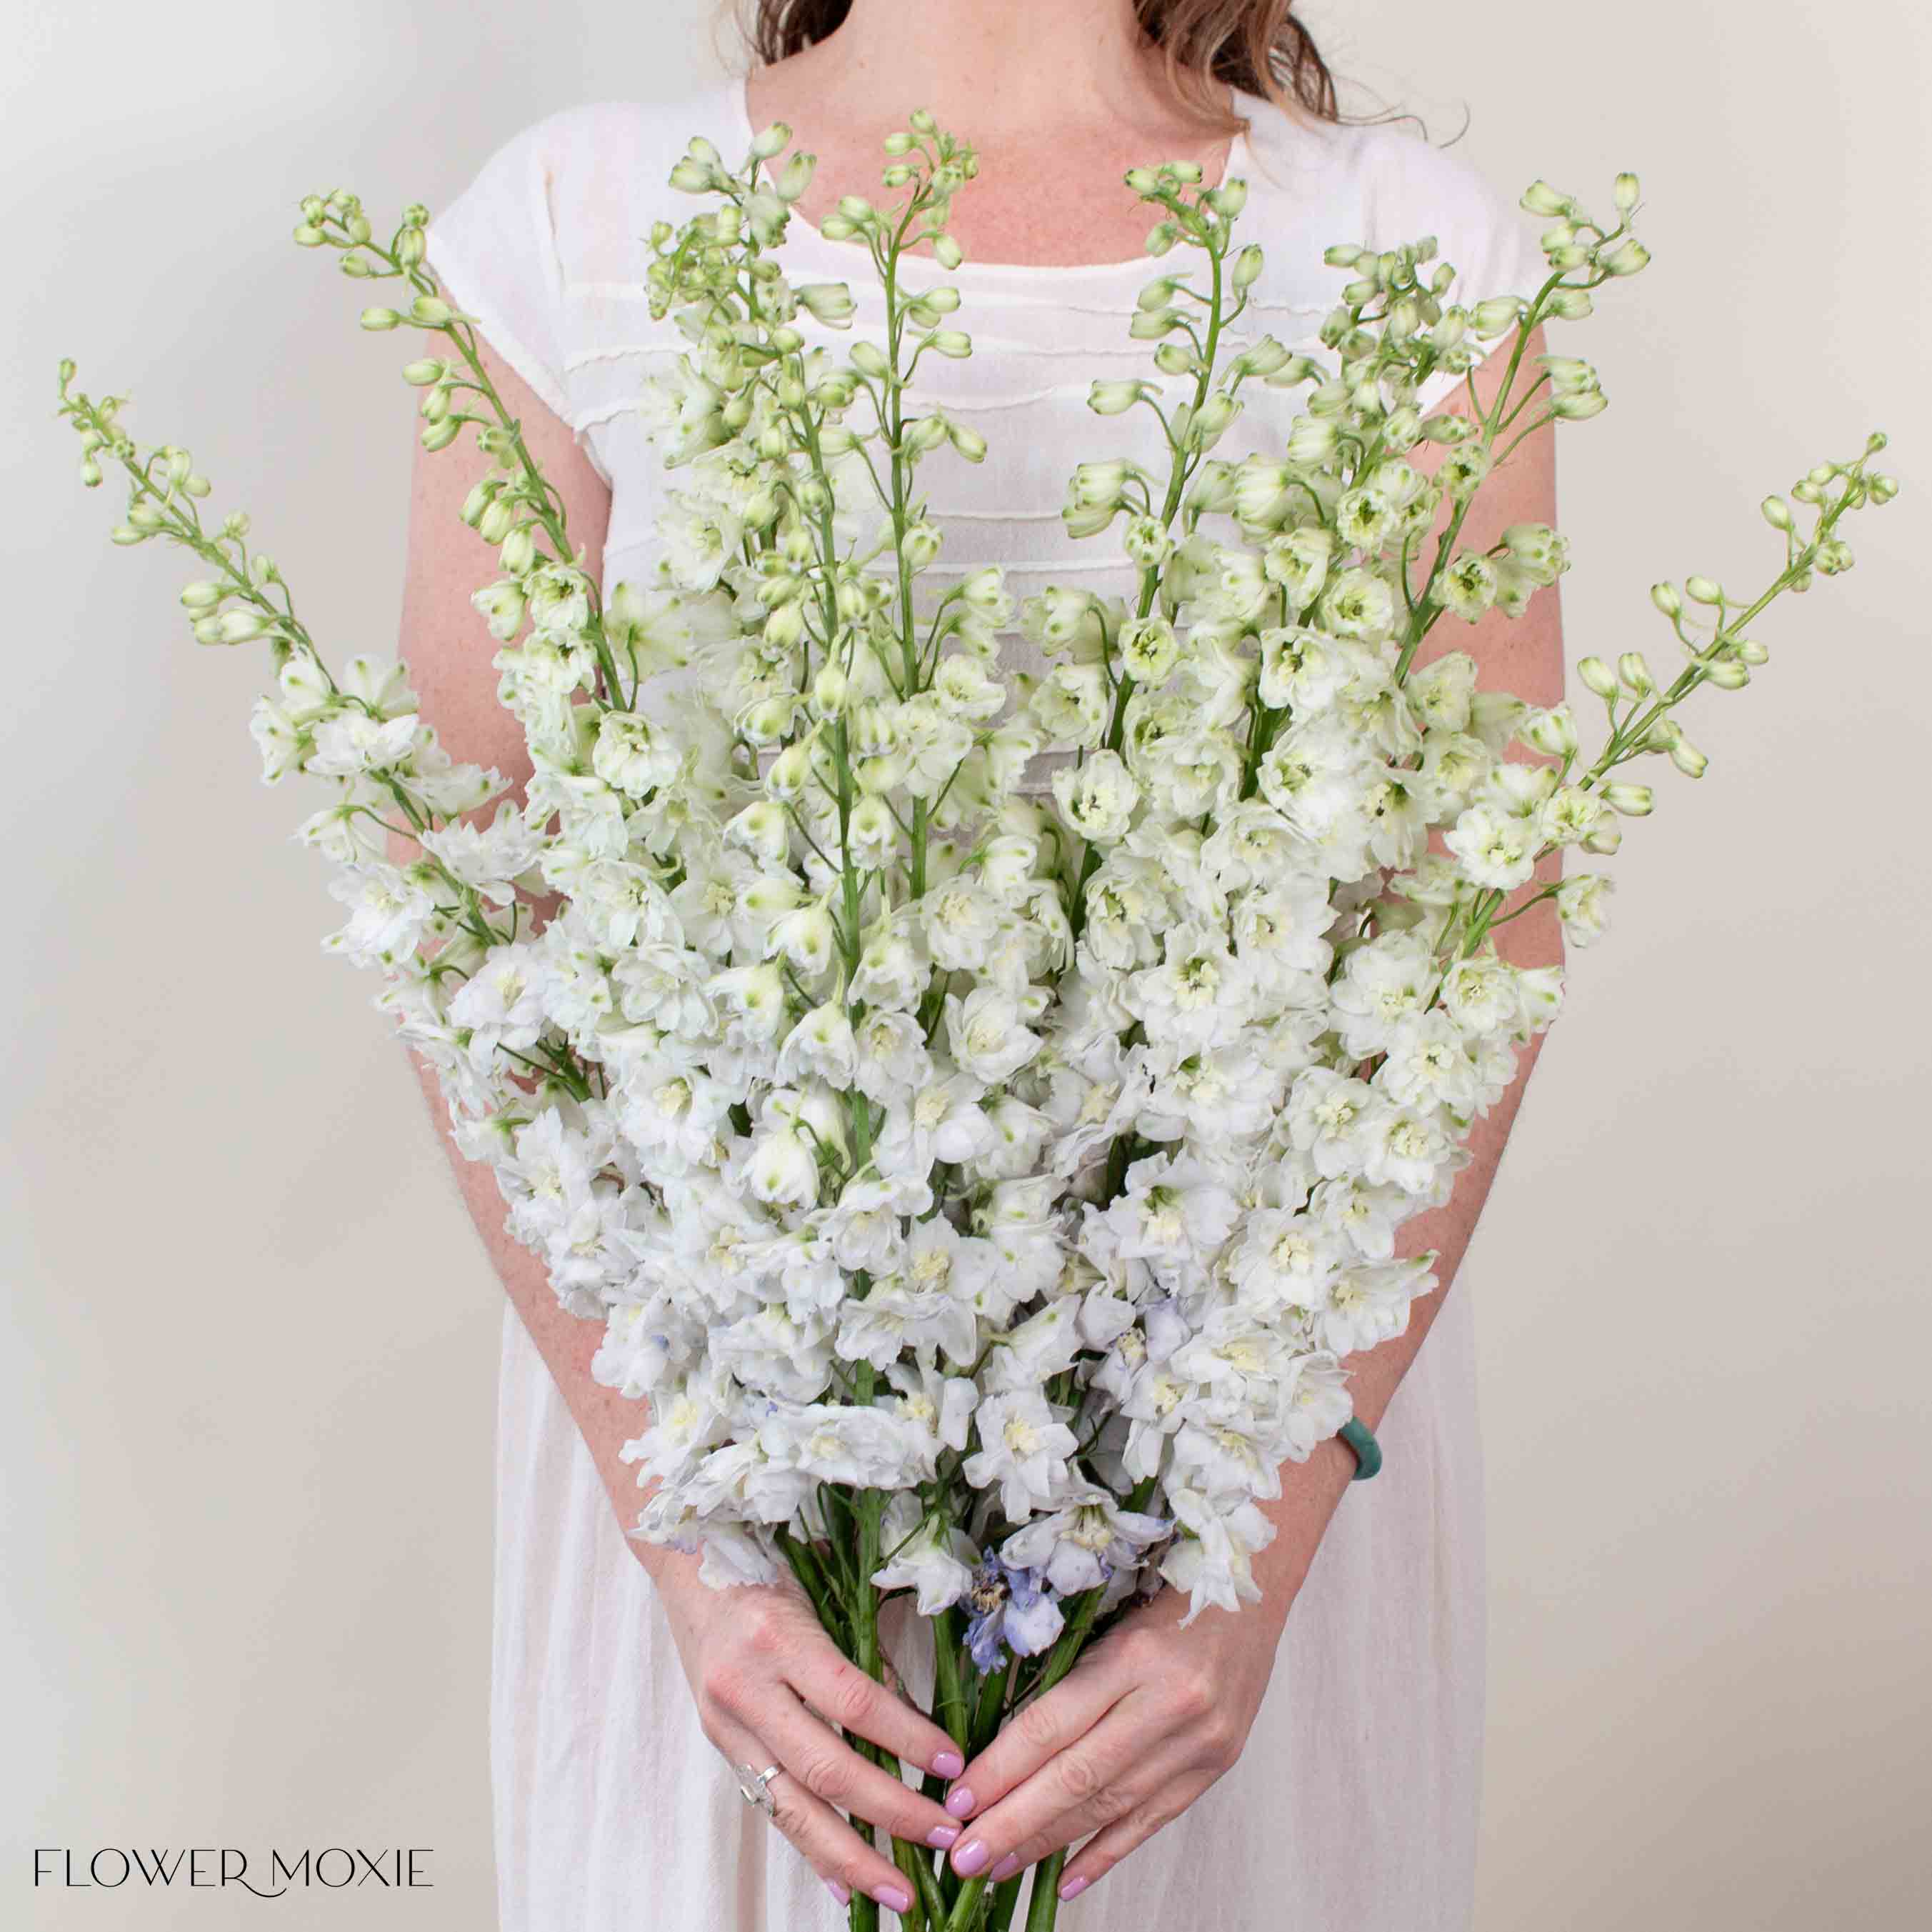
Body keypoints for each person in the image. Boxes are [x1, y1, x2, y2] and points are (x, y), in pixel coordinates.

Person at [401, 2, 1563, 1925]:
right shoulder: (561, 233)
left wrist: (1238, 1579)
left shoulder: (1415, 258)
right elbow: (477, 930)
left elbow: (1471, 938)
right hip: (742, 1516)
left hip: (1222, 1478)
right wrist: (690, 1551)